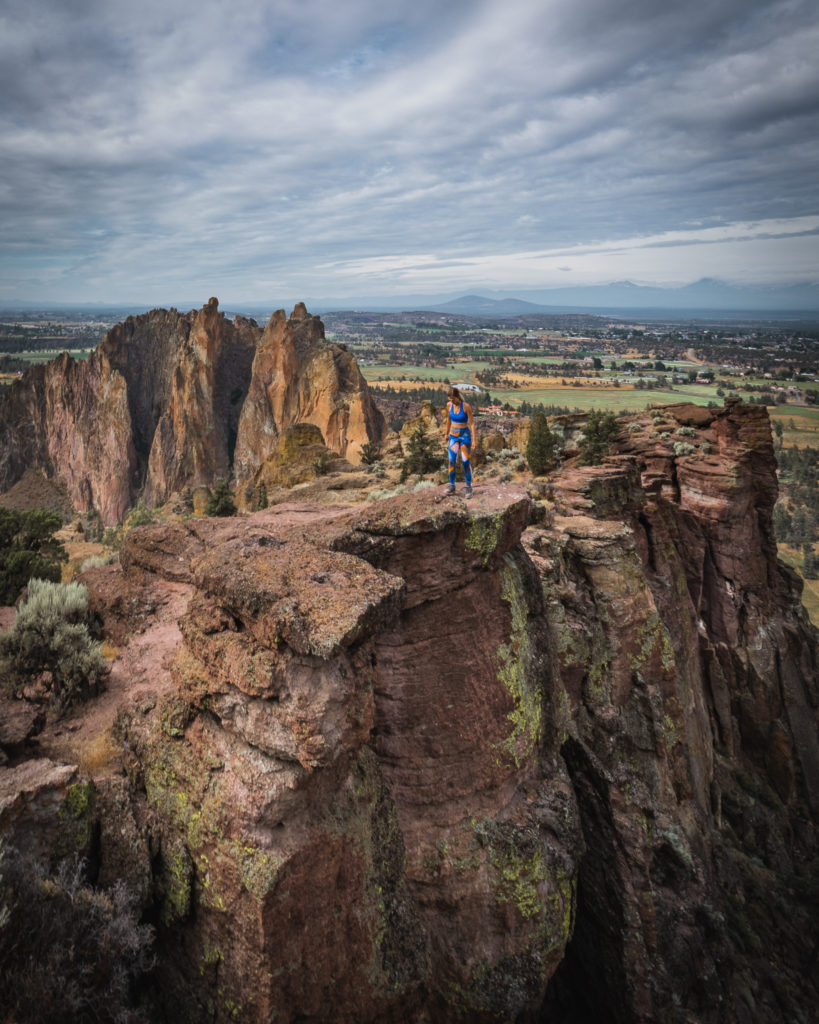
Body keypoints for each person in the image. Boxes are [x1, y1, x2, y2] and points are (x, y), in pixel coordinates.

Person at [443, 386, 476, 498]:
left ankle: (468, 486)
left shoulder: (466, 407)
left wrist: (474, 440)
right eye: (450, 399)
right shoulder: (449, 405)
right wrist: (446, 433)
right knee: (451, 460)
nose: (451, 401)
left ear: (457, 397)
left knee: (465, 461)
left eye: (452, 399)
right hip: (453, 436)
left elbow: (472, 423)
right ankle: (452, 485)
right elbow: (448, 420)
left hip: (465, 437)